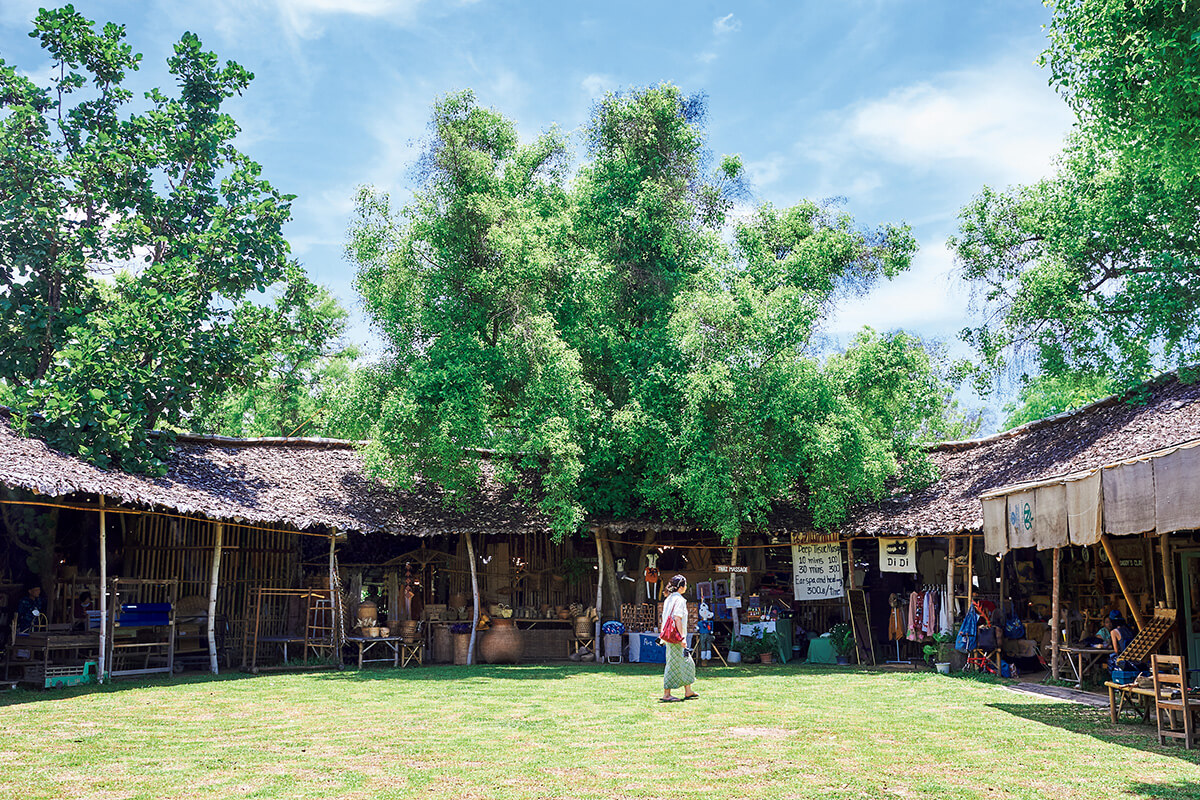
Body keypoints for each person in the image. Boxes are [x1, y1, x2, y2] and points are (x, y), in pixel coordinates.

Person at [659, 574, 698, 703]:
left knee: (686, 662)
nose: (686, 587)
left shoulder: (669, 599)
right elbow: (677, 618)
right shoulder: (680, 600)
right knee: (673, 663)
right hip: (676, 637)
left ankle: (688, 690)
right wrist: (682, 638)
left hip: (669, 636)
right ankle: (667, 693)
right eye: (685, 585)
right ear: (681, 587)